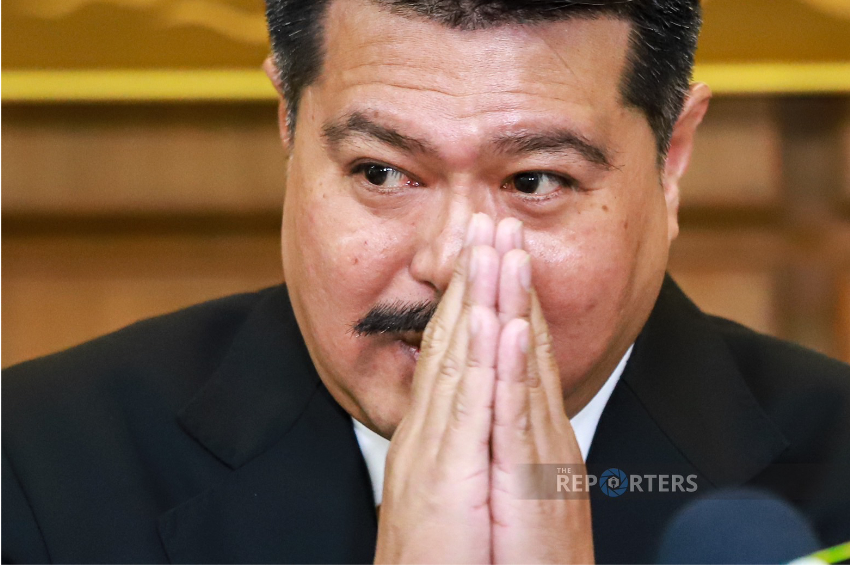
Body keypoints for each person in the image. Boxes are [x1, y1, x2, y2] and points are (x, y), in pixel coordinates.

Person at [3, 0, 850, 563]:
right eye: (381, 172)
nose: (449, 261)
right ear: (289, 126)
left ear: (672, 162)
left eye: (535, 181)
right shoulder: (35, 469)